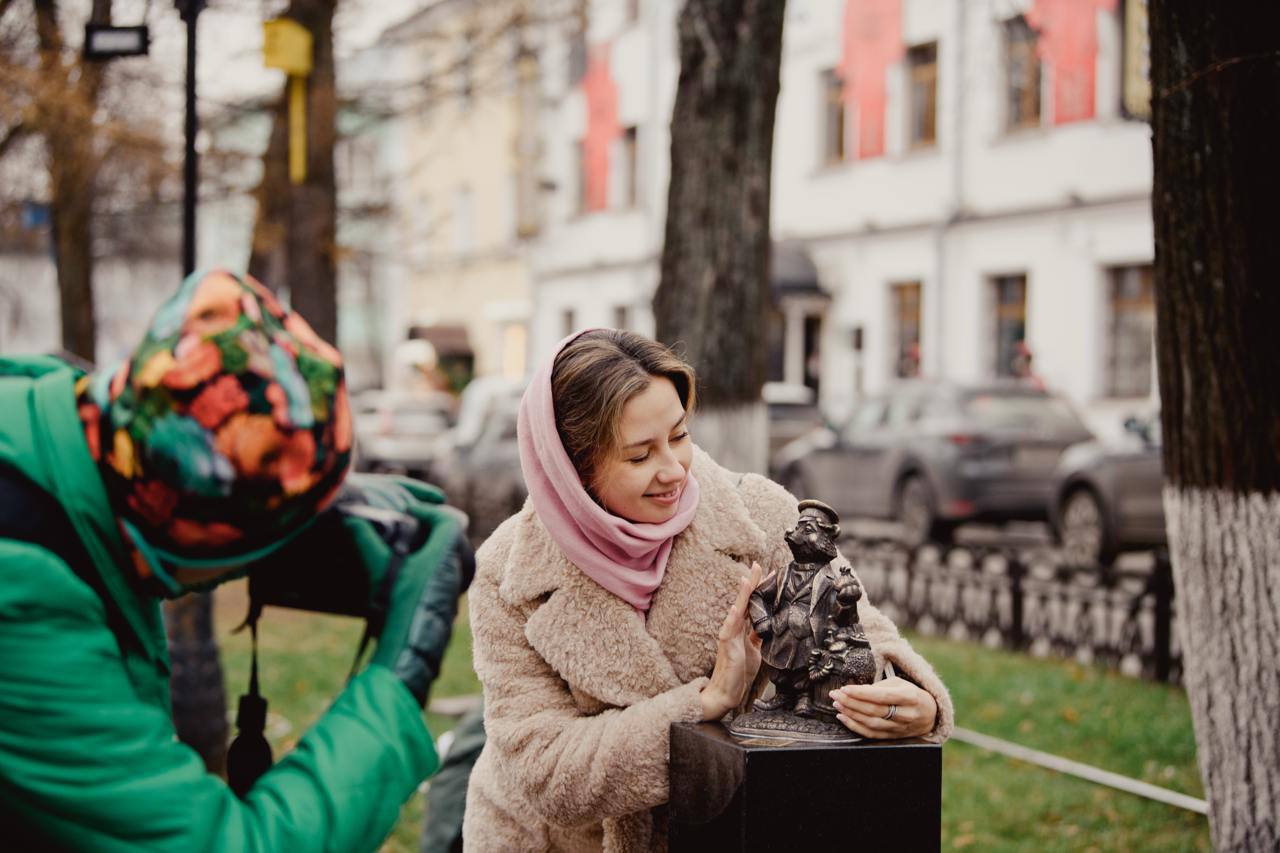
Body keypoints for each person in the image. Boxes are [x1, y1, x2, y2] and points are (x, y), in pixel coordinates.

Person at [0, 269, 471, 850]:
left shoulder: (64, 440)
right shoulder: (20, 595)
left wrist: (292, 493)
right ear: (192, 538)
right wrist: (399, 676)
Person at [463, 329, 954, 852]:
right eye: (638, 456)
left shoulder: (758, 516)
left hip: (728, 830)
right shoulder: (508, 574)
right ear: (573, 468)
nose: (673, 471)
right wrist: (706, 702)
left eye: (678, 435)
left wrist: (907, 698)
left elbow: (861, 632)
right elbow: (544, 772)